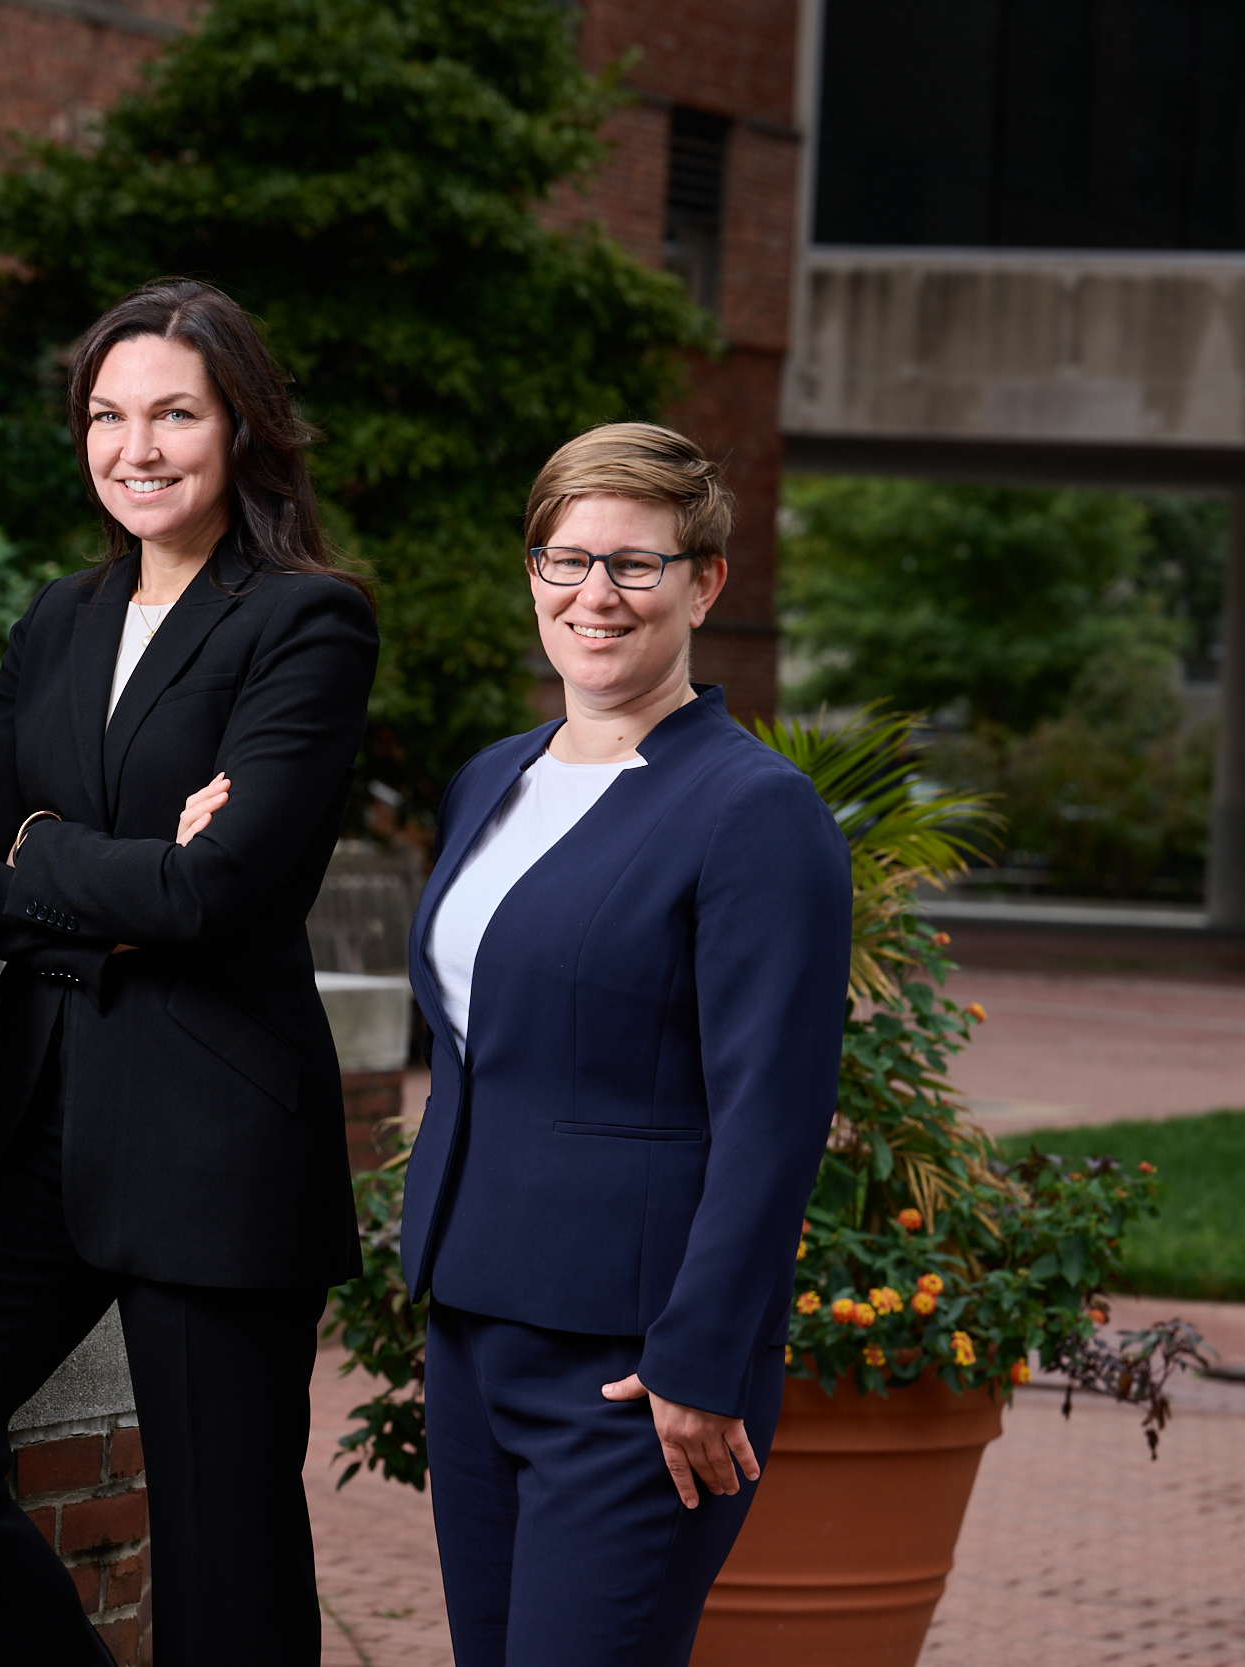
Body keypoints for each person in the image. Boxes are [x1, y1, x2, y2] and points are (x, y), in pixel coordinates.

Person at [0, 279, 378, 1664]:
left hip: (212, 1130)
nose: (139, 446)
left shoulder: (307, 620)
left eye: (174, 412)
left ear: (240, 425)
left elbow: (221, 887)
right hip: (29, 1123)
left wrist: (52, 849)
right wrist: (125, 876)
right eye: (109, 416)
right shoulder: (59, 618)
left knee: (223, 1542)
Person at [399, 423, 850, 1667]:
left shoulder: (755, 810)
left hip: (636, 1370)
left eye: (636, 565)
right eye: (565, 558)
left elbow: (773, 1109)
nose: (594, 595)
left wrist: (700, 1357)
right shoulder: (493, 776)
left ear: (704, 582)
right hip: (476, 1325)